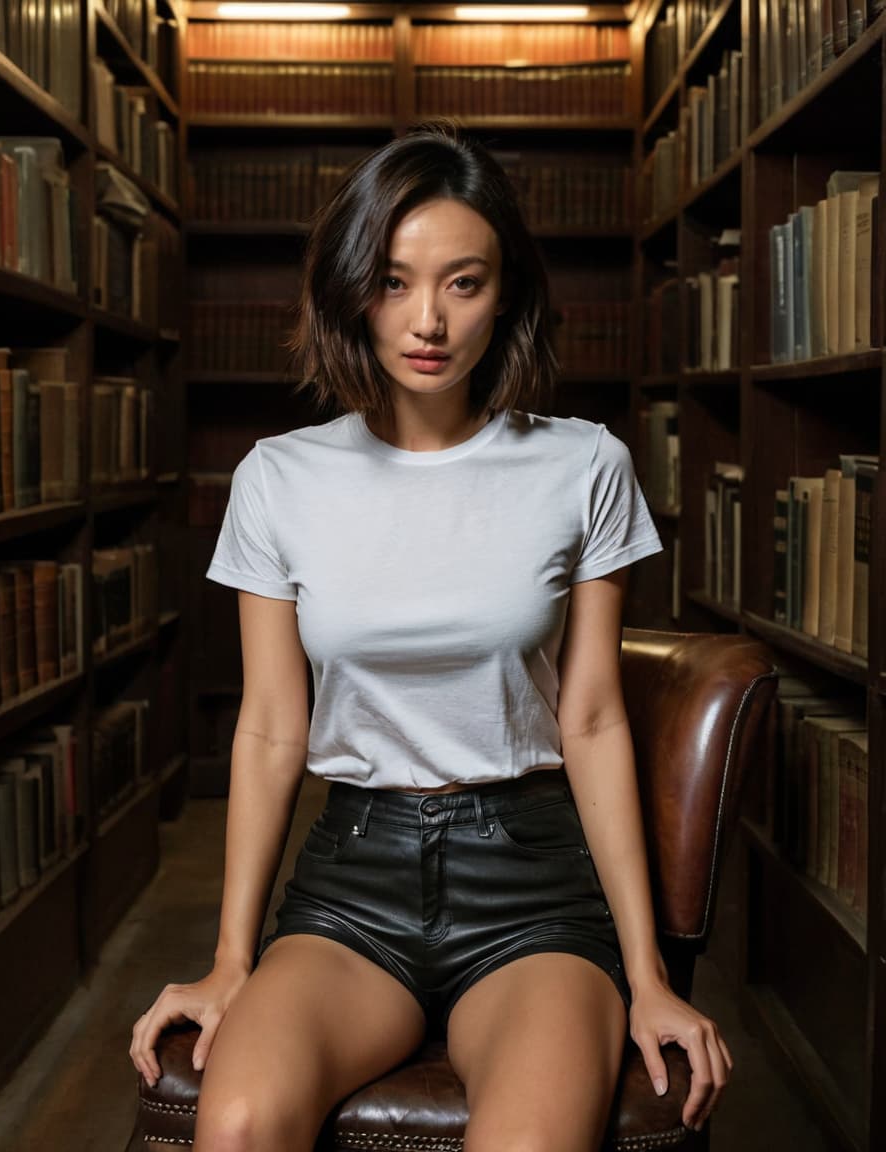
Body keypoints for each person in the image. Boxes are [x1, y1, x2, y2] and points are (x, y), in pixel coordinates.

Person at [130, 121, 731, 1152]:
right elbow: (273, 729)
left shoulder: (581, 464)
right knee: (232, 1126)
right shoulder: (279, 477)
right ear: (351, 288)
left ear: (507, 297)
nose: (427, 321)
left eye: (462, 283)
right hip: (351, 885)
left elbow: (589, 722)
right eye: (395, 281)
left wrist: (646, 976)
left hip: (533, 889)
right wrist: (232, 955)